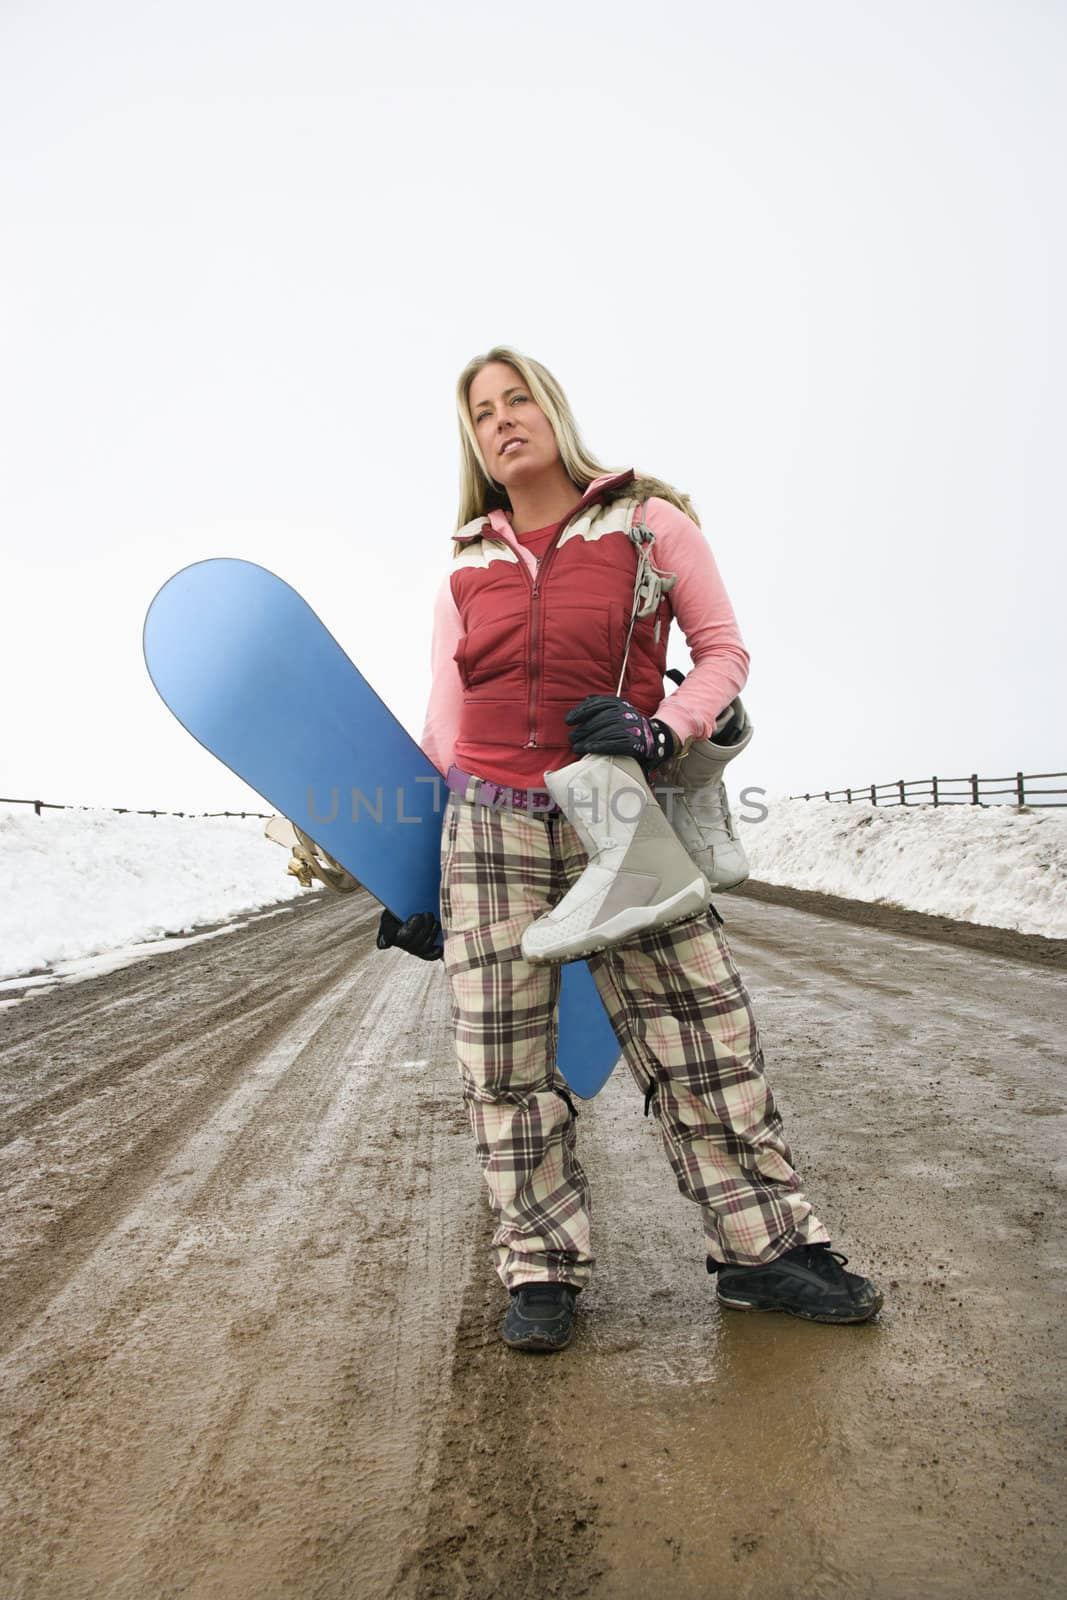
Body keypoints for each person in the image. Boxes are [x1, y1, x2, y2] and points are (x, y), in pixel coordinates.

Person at [377, 345, 882, 1351]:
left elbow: (724, 652)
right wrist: (407, 872)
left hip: (618, 811)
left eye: (518, 398)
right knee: (503, 1058)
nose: (502, 419)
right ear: (471, 440)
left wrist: (663, 730)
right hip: (487, 824)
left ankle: (762, 1248)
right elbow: (440, 729)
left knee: (701, 1026)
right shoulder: (463, 565)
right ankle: (540, 1268)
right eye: (482, 412)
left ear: (553, 410)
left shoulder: (646, 520)